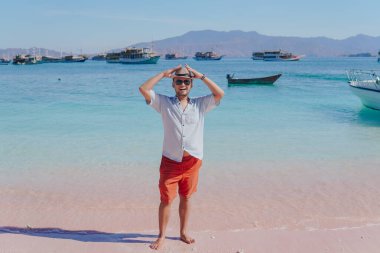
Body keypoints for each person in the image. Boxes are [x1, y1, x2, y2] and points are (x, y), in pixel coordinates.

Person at [139, 64, 224, 250]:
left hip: (193, 160)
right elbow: (144, 89)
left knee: (186, 197)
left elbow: (220, 94)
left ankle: (183, 232)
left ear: (191, 85)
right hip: (170, 160)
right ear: (173, 84)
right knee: (166, 200)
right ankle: (161, 236)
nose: (182, 84)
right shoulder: (164, 103)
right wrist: (163, 74)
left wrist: (201, 76)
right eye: (179, 81)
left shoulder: (200, 105)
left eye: (186, 81)